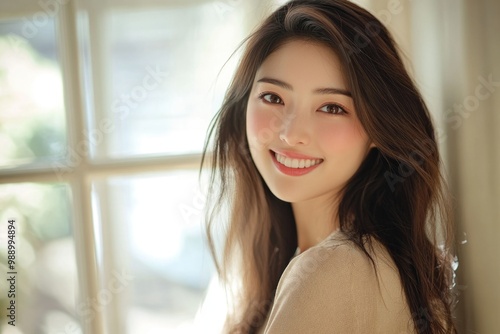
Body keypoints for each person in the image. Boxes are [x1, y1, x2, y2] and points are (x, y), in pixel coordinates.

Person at [201, 0, 457, 333]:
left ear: (379, 128)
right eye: (273, 97)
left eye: (332, 108)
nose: (291, 134)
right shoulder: (368, 261)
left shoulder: (327, 271)